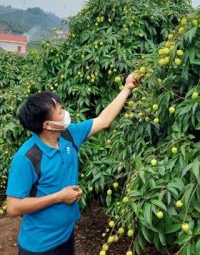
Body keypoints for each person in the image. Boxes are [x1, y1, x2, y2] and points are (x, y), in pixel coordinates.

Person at [6, 71, 142, 255]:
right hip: (39, 247)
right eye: (60, 111)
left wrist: (127, 88)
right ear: (47, 125)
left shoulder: (68, 135)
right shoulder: (27, 157)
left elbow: (103, 120)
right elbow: (13, 207)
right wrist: (59, 196)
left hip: (66, 237)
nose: (65, 112)